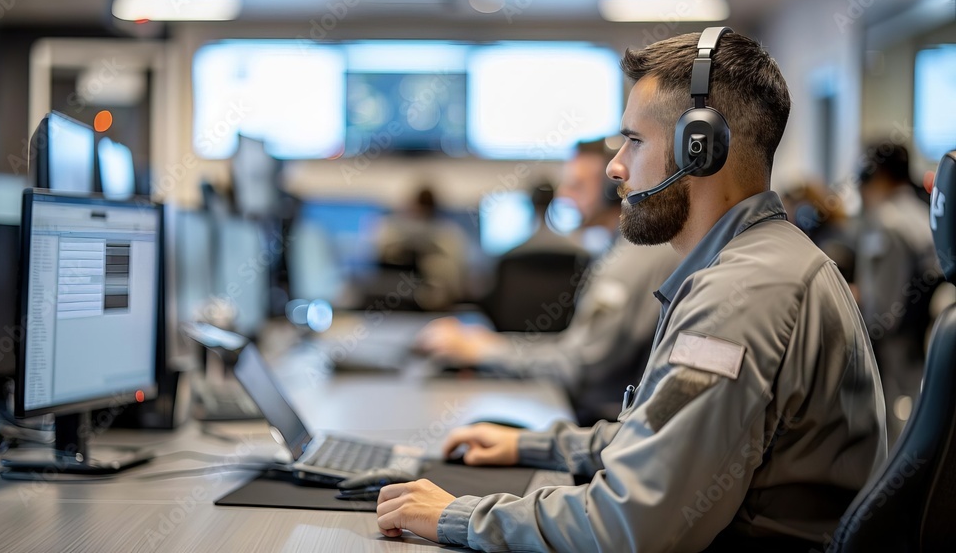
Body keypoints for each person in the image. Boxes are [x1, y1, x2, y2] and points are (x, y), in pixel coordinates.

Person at [377, 29, 887, 551]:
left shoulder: (744, 293)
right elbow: (667, 434)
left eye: (634, 141)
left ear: (700, 149)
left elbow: (631, 525)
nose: (615, 166)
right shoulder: (755, 264)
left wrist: (458, 515)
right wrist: (536, 445)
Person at [418, 139, 681, 425]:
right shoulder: (620, 250)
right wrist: (490, 345)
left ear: (613, 190)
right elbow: (574, 350)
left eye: (577, 186)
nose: (564, 197)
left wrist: (486, 352)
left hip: (601, 425)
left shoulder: (634, 258)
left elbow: (578, 368)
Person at [854, 142, 940, 442]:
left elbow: (881, 314)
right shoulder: (921, 214)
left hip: (895, 359)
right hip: (921, 353)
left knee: (895, 442)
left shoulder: (885, 223)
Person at [374, 184, 468, 310]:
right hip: (397, 295)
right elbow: (380, 254)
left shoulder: (446, 233)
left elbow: (456, 273)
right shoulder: (393, 228)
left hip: (437, 297)